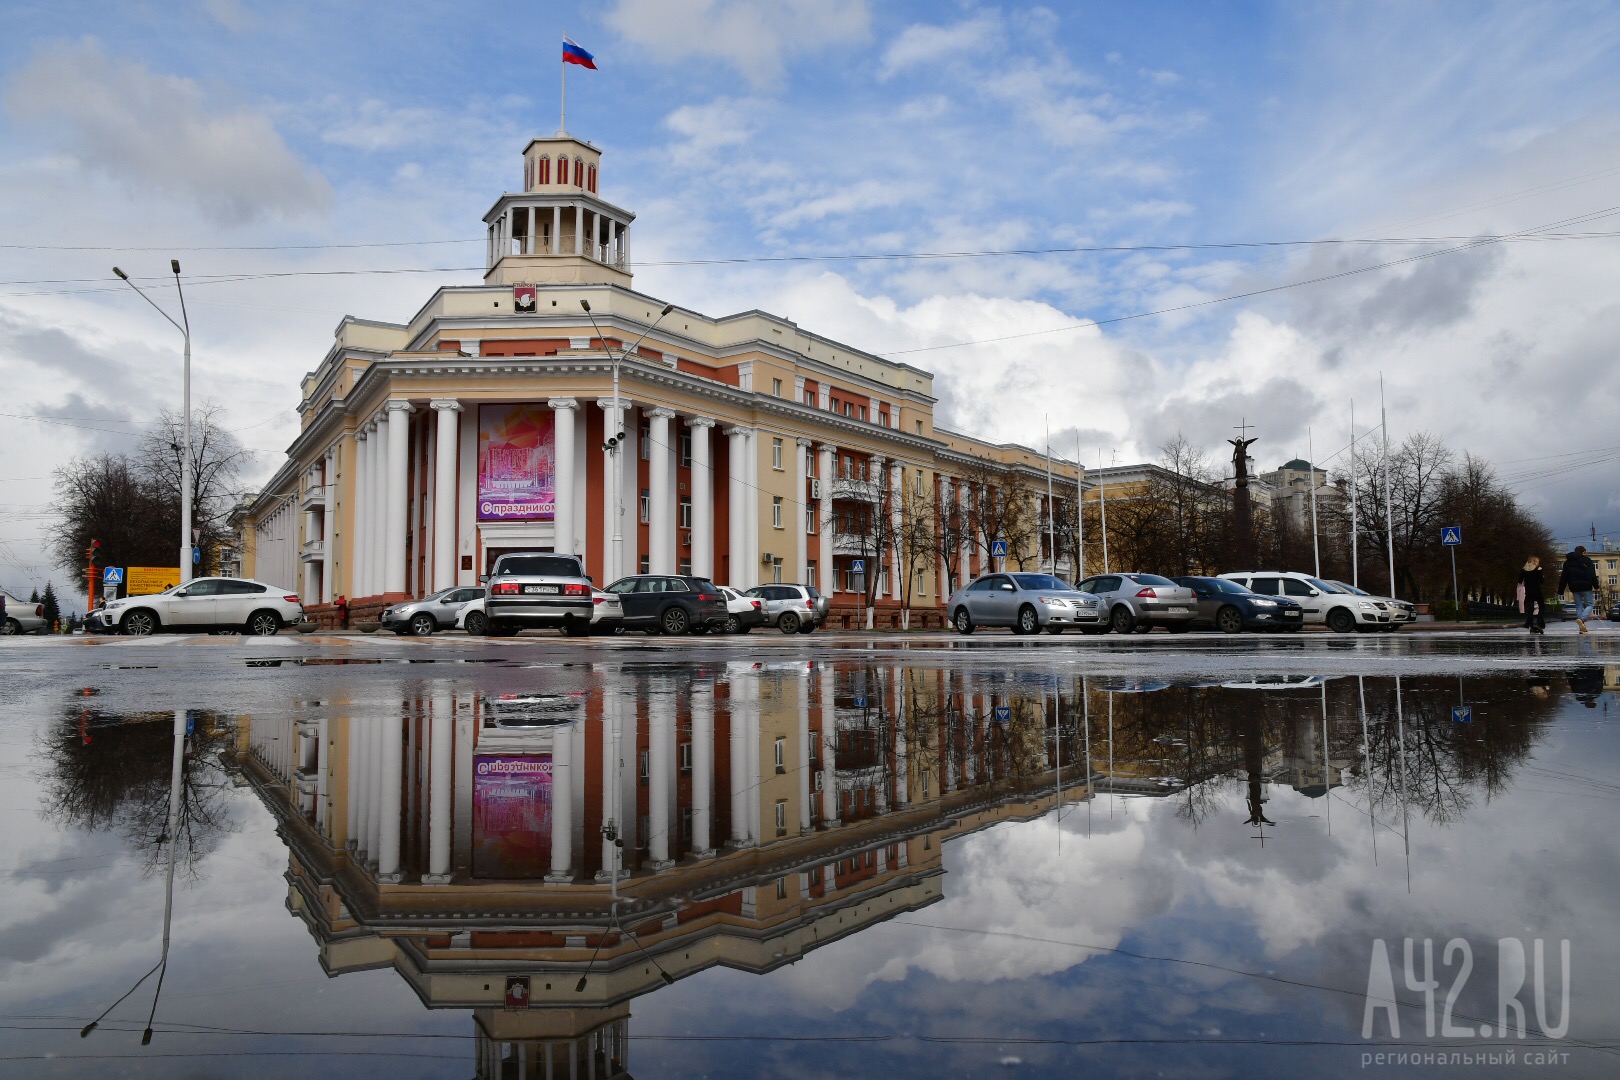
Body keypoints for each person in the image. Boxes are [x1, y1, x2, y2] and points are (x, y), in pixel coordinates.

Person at [1557, 545, 1600, 635]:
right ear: (1583, 552)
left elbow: (1564, 577)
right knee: (1590, 604)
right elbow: (1592, 574)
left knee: (1579, 606)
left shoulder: (1567, 563)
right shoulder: (1587, 560)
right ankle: (1582, 619)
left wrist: (1561, 590)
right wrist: (1596, 586)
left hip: (1574, 587)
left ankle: (1581, 628)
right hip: (1586, 586)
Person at [1518, 556, 1545, 634]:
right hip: (1537, 591)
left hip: (1528, 592)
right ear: (1535, 562)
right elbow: (1542, 581)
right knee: (1542, 607)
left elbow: (1520, 581)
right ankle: (1539, 623)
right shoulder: (1539, 569)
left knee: (1530, 609)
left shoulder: (1524, 570)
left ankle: (1531, 626)